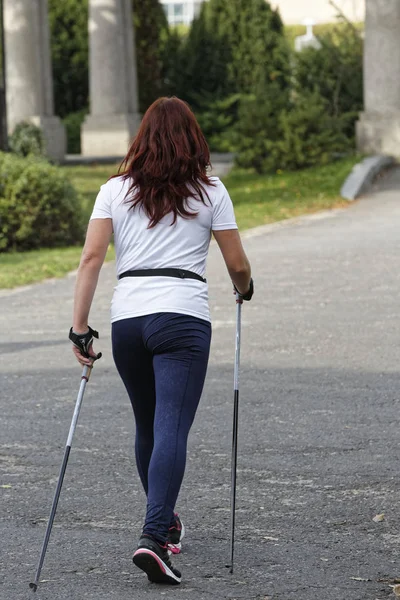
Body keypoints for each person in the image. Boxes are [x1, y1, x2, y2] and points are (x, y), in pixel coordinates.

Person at [69, 97, 253, 586]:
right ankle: (154, 537)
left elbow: (90, 259)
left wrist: (79, 328)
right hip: (182, 318)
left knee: (148, 425)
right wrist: (244, 288)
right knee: (171, 424)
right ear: (193, 139)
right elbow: (237, 264)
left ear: (141, 138)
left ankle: (166, 523)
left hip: (128, 319)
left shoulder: (115, 190)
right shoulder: (210, 190)